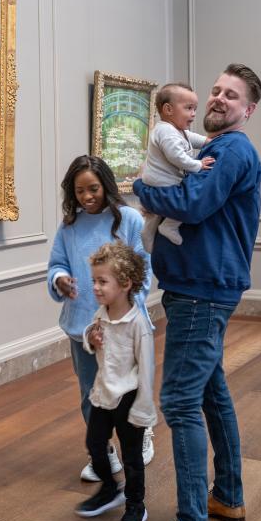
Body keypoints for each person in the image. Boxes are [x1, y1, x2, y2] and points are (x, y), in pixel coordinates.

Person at [132, 63, 261, 521]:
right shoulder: (219, 148)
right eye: (215, 91)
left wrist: (140, 188)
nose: (218, 99)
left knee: (181, 401)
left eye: (231, 96)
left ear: (247, 110)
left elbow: (191, 204)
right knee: (210, 392)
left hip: (200, 290)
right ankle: (227, 497)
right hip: (205, 286)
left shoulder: (229, 150)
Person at [47, 155, 156, 483]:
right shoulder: (69, 227)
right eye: (79, 191)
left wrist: (125, 302)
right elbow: (56, 264)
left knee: (128, 388)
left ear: (106, 186)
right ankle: (103, 453)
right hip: (82, 324)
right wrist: (60, 279)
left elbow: (144, 266)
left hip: (125, 325)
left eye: (93, 188)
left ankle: (140, 435)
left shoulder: (130, 220)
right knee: (91, 391)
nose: (87, 197)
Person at [74, 242, 156, 521]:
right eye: (93, 280)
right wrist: (90, 339)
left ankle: (136, 506)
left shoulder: (138, 324)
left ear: (125, 283)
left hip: (129, 398)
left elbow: (147, 370)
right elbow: (94, 341)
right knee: (94, 444)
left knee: (132, 458)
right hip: (102, 394)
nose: (95, 287)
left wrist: (143, 410)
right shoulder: (102, 314)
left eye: (102, 281)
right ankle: (109, 488)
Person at [140, 83, 214, 250]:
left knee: (156, 212)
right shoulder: (165, 131)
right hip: (163, 181)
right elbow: (176, 156)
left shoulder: (176, 130)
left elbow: (191, 138)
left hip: (158, 180)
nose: (193, 114)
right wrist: (198, 165)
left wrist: (207, 141)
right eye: (189, 108)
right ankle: (169, 226)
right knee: (182, 200)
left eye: (195, 109)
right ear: (168, 109)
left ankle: (147, 232)